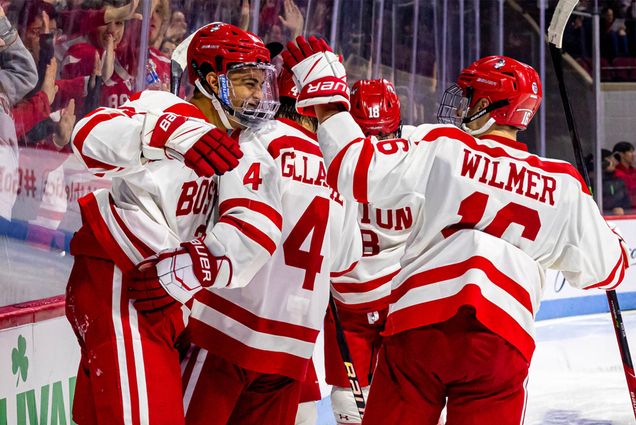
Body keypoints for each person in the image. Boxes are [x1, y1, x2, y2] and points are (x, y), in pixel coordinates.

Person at [283, 38, 629, 424]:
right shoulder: (562, 183)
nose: (460, 106)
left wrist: (327, 96)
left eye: (468, 97)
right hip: (503, 337)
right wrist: (592, 231)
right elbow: (608, 270)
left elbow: (353, 166)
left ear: (486, 106)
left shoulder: (442, 144)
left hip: (419, 325)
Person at [66, 22, 284, 425]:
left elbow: (256, 229)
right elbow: (87, 138)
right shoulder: (163, 108)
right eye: (247, 83)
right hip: (119, 279)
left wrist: (195, 266)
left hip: (164, 300)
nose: (258, 95)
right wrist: (171, 135)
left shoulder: (252, 148)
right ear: (210, 80)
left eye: (262, 84)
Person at [179, 60, 361, 425]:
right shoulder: (339, 165)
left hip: (227, 328)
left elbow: (239, 229)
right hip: (293, 347)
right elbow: (346, 259)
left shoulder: (256, 138)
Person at [324, 78, 416, 425]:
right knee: (414, 398)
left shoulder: (330, 158)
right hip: (399, 299)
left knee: (350, 403)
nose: (376, 144)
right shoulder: (416, 157)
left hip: (348, 299)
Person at [601, 148, 631, 215]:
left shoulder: (619, 181)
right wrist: (611, 210)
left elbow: (627, 202)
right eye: (609, 159)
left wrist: (622, 209)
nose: (614, 161)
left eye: (613, 158)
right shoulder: (595, 182)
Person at [613, 140, 636, 206]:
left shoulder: (634, 171)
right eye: (630, 151)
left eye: (633, 151)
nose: (633, 154)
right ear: (621, 154)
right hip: (624, 209)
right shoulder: (615, 173)